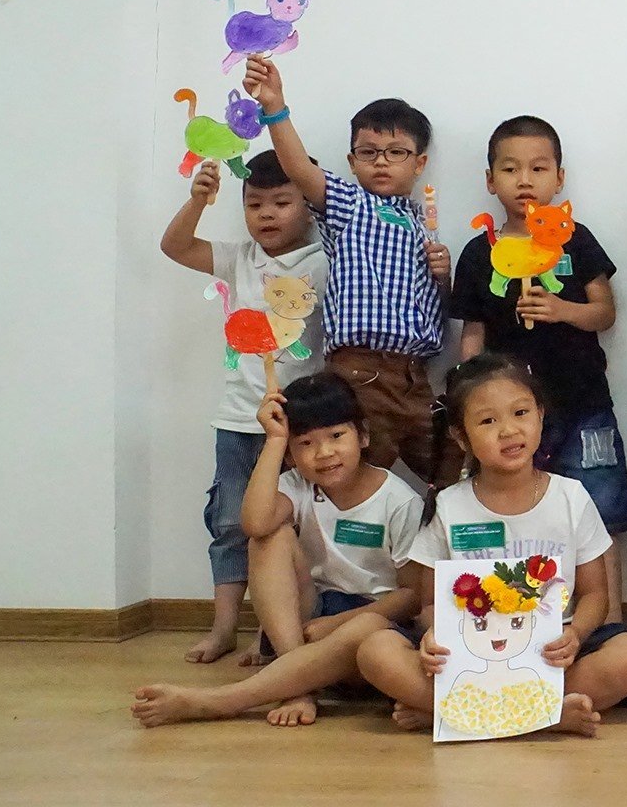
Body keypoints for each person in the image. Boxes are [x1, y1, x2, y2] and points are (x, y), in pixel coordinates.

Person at [354, 355, 627, 736]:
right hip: (471, 655)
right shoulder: (449, 505)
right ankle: (547, 716)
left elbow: (595, 595)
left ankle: (455, 713)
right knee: (375, 650)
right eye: (487, 421)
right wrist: (434, 636)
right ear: (461, 436)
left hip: (552, 651)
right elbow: (431, 604)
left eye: (520, 413)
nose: (508, 430)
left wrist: (575, 635)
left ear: (540, 415)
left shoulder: (571, 497)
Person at [129, 374, 422, 727]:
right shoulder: (298, 484)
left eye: (336, 436)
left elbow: (412, 596)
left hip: (370, 626)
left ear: (363, 435)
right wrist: (274, 440)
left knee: (367, 628)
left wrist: (337, 624)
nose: (324, 453)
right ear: (291, 454)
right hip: (308, 622)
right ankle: (298, 685)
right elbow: (255, 523)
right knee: (268, 538)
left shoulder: (399, 500)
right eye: (305, 443)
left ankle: (220, 701)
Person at [451, 116, 627, 613]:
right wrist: (466, 395)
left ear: (560, 177)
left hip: (582, 402)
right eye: (510, 169)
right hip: (508, 415)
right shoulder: (480, 252)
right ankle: (525, 621)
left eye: (538, 168)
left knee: (601, 510)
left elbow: (606, 312)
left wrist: (561, 310)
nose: (525, 180)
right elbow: (473, 333)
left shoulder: (575, 238)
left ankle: (610, 625)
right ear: (490, 180)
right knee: (519, 512)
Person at [243, 57, 458, 484]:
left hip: (416, 379)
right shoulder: (351, 205)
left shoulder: (421, 223)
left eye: (396, 153)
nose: (381, 162)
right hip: (361, 374)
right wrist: (275, 108)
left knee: (453, 470)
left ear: (418, 164)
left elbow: (439, 310)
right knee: (348, 483)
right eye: (369, 153)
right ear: (352, 161)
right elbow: (299, 169)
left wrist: (442, 276)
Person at [158, 150, 327, 664]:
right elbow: (175, 246)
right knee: (231, 523)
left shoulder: (328, 259)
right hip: (238, 419)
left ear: (309, 205)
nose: (267, 214)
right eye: (255, 204)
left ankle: (273, 632)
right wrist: (197, 201)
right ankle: (225, 626)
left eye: (282, 202)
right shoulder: (240, 259)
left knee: (291, 527)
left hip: (301, 423)